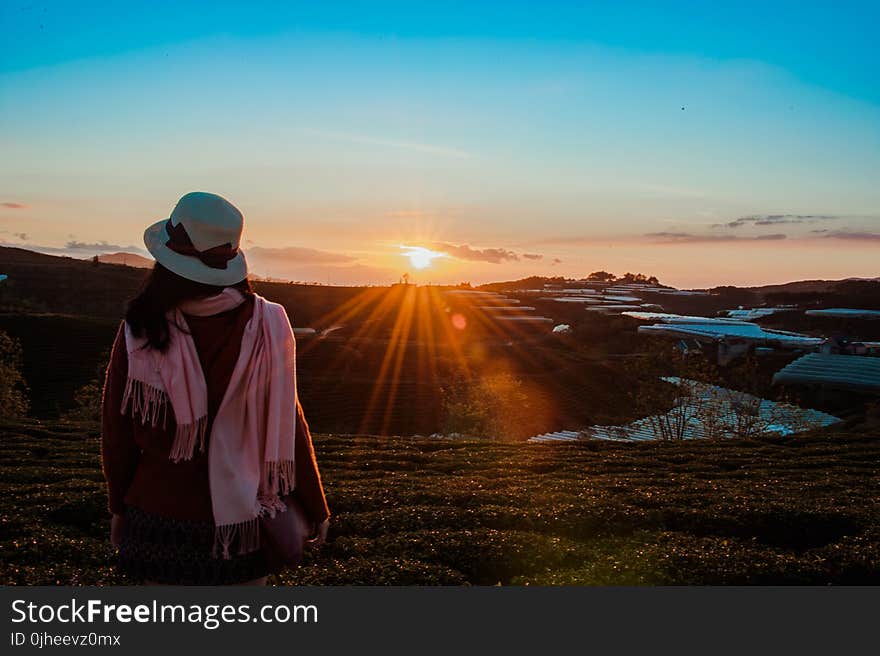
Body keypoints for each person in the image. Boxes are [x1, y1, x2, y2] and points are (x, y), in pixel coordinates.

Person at [101, 191, 330, 585]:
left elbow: (117, 433)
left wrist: (119, 507)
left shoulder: (139, 329)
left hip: (156, 520)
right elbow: (289, 426)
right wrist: (316, 507)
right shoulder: (269, 325)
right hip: (244, 528)